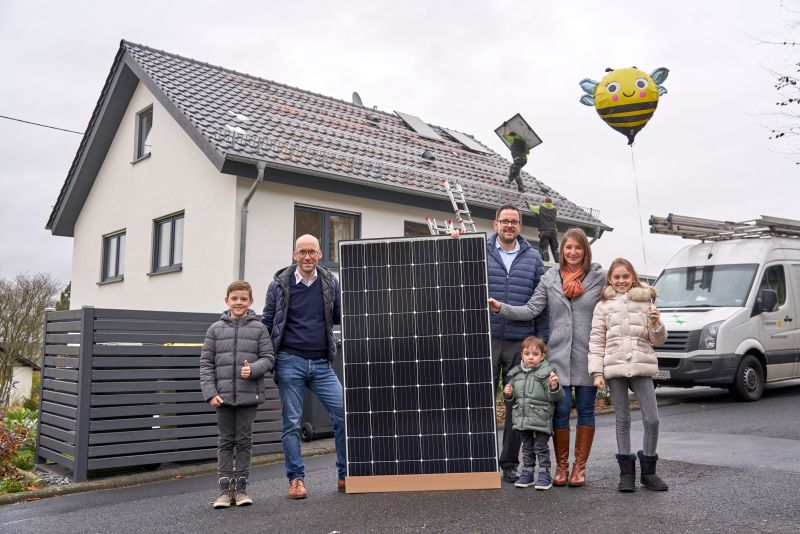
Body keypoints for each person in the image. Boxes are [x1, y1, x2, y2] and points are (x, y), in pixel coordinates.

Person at [489, 227, 605, 487]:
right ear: (562, 251)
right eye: (568, 247)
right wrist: (501, 308)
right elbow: (531, 309)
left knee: (586, 410)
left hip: (588, 355)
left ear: (585, 250)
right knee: (560, 412)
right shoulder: (550, 278)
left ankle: (579, 469)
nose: (573, 252)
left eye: (578, 247)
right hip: (559, 356)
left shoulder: (599, 277)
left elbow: (616, 301)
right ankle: (562, 468)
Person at [262, 234, 344, 499]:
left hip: (321, 363)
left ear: (320, 254)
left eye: (312, 252)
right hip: (289, 361)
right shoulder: (278, 285)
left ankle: (345, 475)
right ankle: (296, 479)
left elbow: (341, 316)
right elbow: (266, 323)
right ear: (294, 254)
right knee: (292, 424)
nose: (307, 257)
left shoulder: (331, 282)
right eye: (302, 252)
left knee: (344, 415)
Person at [477, 204, 549, 483]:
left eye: (515, 222)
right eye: (505, 221)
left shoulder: (533, 259)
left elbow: (542, 304)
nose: (509, 226)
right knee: (478, 402)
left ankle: (508, 463)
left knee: (516, 405)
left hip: (521, 344)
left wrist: (541, 341)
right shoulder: (479, 251)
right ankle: (479, 459)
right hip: (486, 338)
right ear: (495, 224)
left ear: (520, 227)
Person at [588, 258, 669, 492]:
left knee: (652, 419)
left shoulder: (647, 302)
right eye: (616, 277)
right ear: (610, 280)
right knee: (622, 419)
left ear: (632, 277)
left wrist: (656, 324)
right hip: (614, 366)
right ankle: (626, 474)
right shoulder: (602, 305)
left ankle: (649, 473)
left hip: (641, 363)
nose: (621, 281)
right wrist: (596, 372)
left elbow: (658, 340)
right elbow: (596, 339)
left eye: (625, 276)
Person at [200, 280, 275, 508]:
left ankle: (241, 490)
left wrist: (252, 369)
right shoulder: (215, 329)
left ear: (251, 301)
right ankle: (224, 492)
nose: (239, 302)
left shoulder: (259, 328)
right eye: (235, 298)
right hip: (222, 398)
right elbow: (206, 363)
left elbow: (269, 358)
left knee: (243, 442)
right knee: (225, 442)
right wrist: (210, 392)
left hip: (247, 396)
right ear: (227, 300)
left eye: (243, 299)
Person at [503, 336, 564, 490]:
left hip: (540, 418)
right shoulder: (516, 375)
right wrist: (508, 394)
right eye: (527, 353)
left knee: (541, 448)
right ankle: (527, 474)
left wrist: (554, 386)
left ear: (542, 356)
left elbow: (554, 397)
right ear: (522, 355)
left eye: (535, 354)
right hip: (523, 420)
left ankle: (544, 475)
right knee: (527, 448)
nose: (531, 357)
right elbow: (512, 400)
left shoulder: (547, 373)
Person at [528, 196, 559, 263]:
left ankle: (545, 263)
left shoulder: (540, 208)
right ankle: (559, 263)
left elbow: (531, 207)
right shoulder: (555, 210)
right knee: (555, 249)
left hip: (545, 232)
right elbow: (557, 214)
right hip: (553, 232)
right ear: (551, 202)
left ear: (544, 201)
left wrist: (527, 203)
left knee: (544, 248)